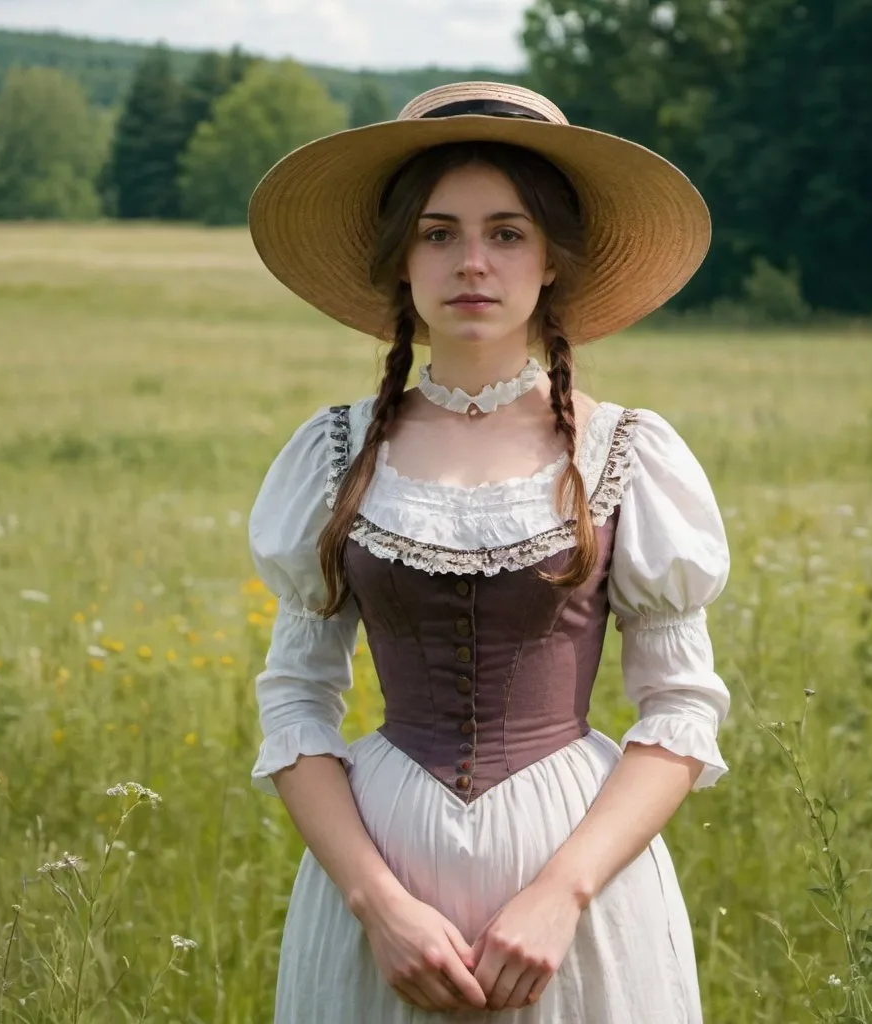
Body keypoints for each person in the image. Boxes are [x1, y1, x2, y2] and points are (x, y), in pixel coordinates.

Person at [246, 81, 730, 1023]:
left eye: (507, 233)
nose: (472, 261)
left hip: (578, 888)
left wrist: (563, 895)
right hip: (379, 875)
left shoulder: (624, 451)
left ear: (553, 261)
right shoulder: (337, 453)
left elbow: (680, 711)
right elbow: (295, 701)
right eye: (438, 233)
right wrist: (377, 905)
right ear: (401, 261)